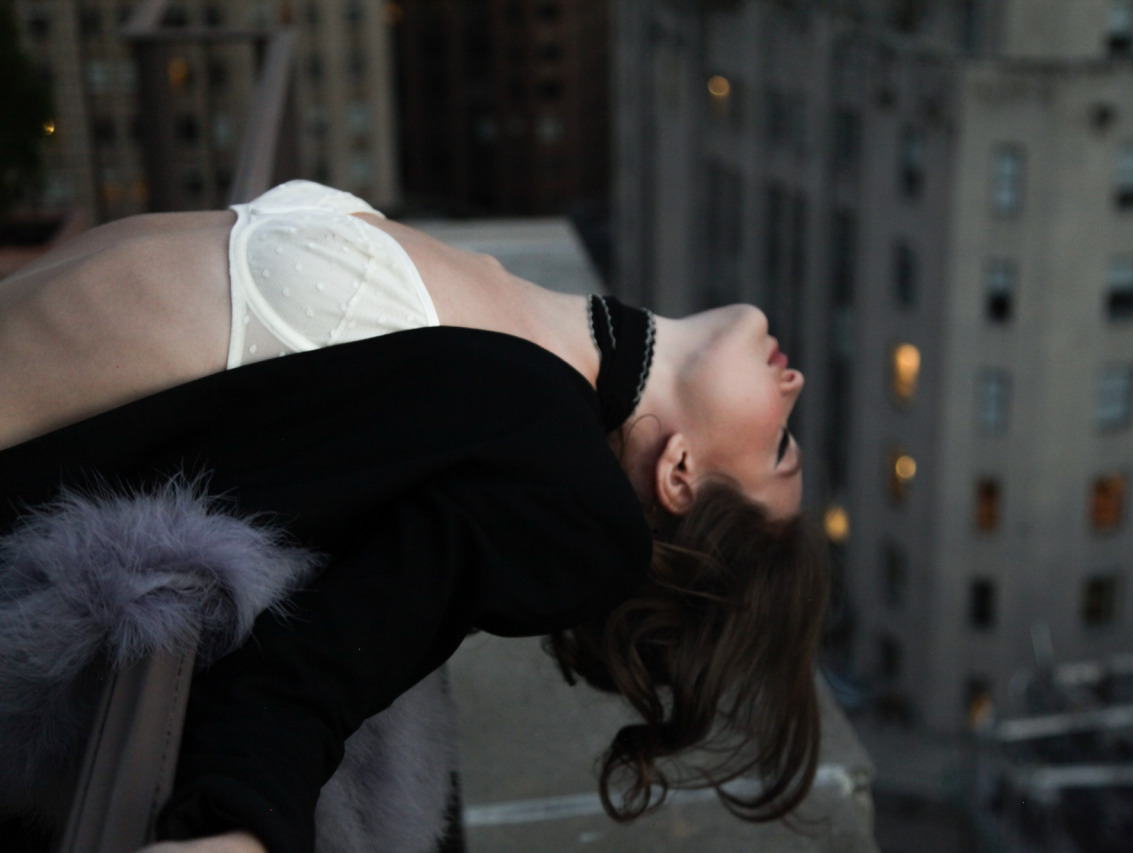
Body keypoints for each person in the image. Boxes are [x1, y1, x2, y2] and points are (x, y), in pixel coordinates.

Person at [0, 182, 828, 852]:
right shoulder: (531, 344)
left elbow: (319, 667)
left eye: (779, 447)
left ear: (680, 475)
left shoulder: (575, 495)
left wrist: (237, 830)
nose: (794, 386)